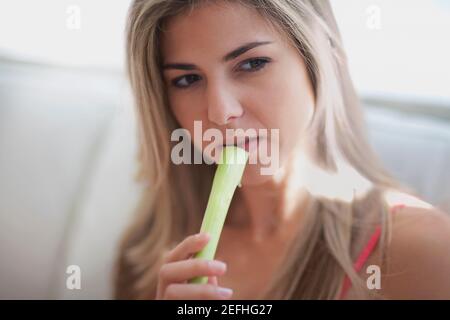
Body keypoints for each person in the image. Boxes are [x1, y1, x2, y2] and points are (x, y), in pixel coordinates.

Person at [114, 0, 450, 299]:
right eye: (187, 80)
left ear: (322, 58)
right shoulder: (148, 254)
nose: (220, 112)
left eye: (252, 63)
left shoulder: (422, 252)